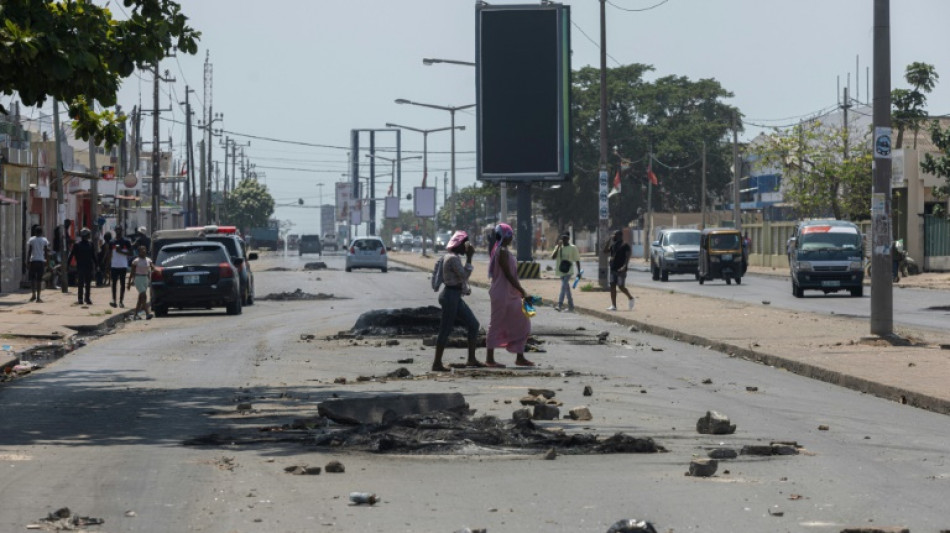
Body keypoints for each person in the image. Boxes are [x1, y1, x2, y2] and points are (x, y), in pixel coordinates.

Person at [432, 231, 483, 372]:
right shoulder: (453, 259)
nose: (467, 248)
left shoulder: (452, 257)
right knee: (445, 329)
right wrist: (470, 258)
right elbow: (464, 275)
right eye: (465, 245)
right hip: (450, 296)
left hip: (454, 295)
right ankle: (437, 363)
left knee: (473, 324)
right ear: (459, 245)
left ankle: (471, 359)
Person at [485, 223, 534, 368]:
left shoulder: (503, 251)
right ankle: (489, 358)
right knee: (495, 323)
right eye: (511, 235)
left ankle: (520, 356)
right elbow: (508, 275)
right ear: (506, 236)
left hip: (511, 293)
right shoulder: (501, 252)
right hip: (501, 293)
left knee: (523, 320)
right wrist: (523, 290)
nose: (512, 238)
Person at [603, 229, 635, 311]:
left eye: (615, 235)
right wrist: (608, 241)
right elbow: (605, 251)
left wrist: (625, 266)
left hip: (621, 269)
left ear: (620, 236)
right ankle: (614, 305)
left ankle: (630, 297)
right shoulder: (613, 245)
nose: (613, 236)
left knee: (621, 286)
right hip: (613, 268)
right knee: (612, 286)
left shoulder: (625, 245)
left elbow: (628, 257)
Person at [551, 233, 581, 312]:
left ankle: (559, 305)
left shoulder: (573, 248)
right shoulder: (558, 247)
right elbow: (553, 257)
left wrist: (579, 271)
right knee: (567, 288)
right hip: (561, 271)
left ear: (568, 239)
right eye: (562, 239)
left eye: (565, 238)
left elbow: (577, 259)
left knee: (563, 287)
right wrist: (558, 247)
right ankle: (571, 306)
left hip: (569, 271)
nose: (564, 240)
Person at [67, 227, 97, 305]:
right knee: (81, 283)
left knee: (87, 283)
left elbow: (93, 255)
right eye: (88, 235)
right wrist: (67, 265)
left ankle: (87, 298)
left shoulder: (90, 244)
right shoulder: (77, 244)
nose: (89, 236)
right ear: (85, 235)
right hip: (80, 266)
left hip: (88, 266)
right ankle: (80, 298)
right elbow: (71, 255)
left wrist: (97, 265)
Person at [107, 227, 133, 308]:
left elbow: (131, 253)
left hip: (123, 265)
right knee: (113, 284)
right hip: (114, 265)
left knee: (122, 284)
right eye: (117, 230)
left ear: (122, 231)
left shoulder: (126, 242)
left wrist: (121, 251)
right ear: (115, 231)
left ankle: (121, 301)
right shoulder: (112, 242)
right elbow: (109, 253)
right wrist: (108, 264)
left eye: (120, 230)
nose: (118, 231)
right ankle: (114, 300)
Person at [127, 245, 153, 320]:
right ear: (139, 252)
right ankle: (147, 314)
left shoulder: (148, 260)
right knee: (144, 296)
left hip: (145, 279)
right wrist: (129, 283)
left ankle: (135, 315)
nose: (144, 251)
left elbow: (152, 267)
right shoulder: (136, 261)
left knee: (140, 299)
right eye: (142, 250)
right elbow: (132, 273)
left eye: (144, 249)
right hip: (138, 279)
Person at [26, 226, 50, 303]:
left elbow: (29, 251)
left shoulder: (31, 239)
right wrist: (47, 261)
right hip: (41, 261)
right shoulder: (44, 240)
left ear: (35, 232)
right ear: (41, 232)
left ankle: (33, 295)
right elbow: (46, 252)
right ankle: (38, 298)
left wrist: (28, 261)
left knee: (33, 279)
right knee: (39, 280)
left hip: (33, 261)